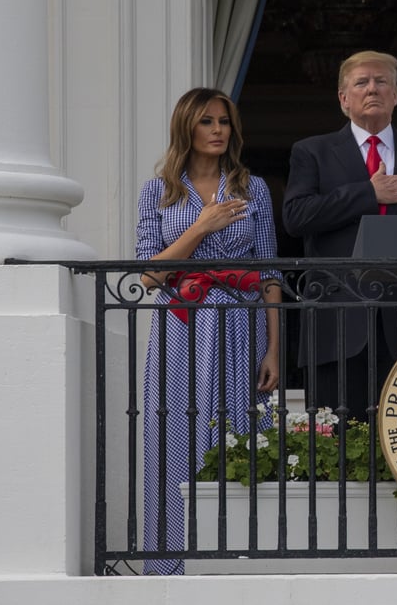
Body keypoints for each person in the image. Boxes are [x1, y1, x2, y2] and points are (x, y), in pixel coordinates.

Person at [136, 87, 282, 576]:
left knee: (241, 430)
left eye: (224, 121)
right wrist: (200, 226)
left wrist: (275, 350)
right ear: (187, 128)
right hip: (180, 324)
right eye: (207, 122)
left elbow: (268, 273)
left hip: (240, 322)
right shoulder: (156, 191)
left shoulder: (252, 187)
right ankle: (172, 561)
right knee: (176, 430)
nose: (218, 130)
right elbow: (149, 274)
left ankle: (241, 557)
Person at [282, 50, 397, 420]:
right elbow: (295, 217)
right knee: (337, 448)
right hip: (337, 321)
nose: (372, 89)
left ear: (396, 95)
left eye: (381, 81)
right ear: (344, 99)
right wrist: (368, 193)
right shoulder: (312, 152)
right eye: (361, 82)